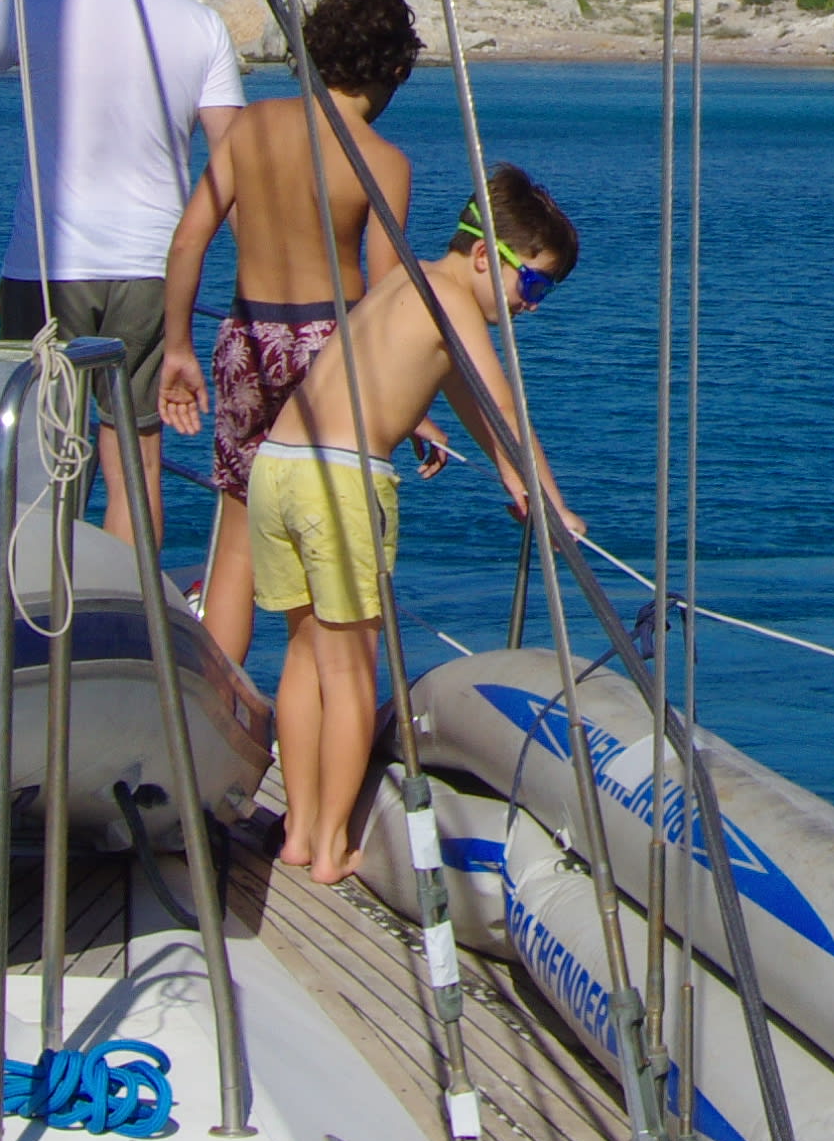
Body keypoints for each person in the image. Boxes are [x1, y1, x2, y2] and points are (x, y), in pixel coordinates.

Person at [175, 160, 580, 888]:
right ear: (488, 255)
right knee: (351, 669)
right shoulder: (455, 303)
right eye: (535, 283)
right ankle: (335, 848)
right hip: (340, 479)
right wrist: (552, 500)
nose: (534, 305)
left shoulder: (407, 281)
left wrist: (514, 476)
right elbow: (506, 403)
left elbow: (462, 396)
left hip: (278, 464)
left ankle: (299, 831)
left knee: (303, 656)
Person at [0, 0, 243, 553]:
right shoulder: (201, 24)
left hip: (44, 267)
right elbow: (233, 152)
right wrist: (201, 244)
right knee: (136, 468)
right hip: (153, 266)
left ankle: (42, 604)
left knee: (46, 459)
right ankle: (127, 612)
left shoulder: (36, 7)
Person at [152, 0, 422, 524]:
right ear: (397, 71)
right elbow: (388, 288)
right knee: (335, 530)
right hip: (331, 344)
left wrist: (177, 346)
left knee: (239, 530)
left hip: (247, 335)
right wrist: (412, 401)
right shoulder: (383, 161)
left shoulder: (250, 126)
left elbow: (187, 241)